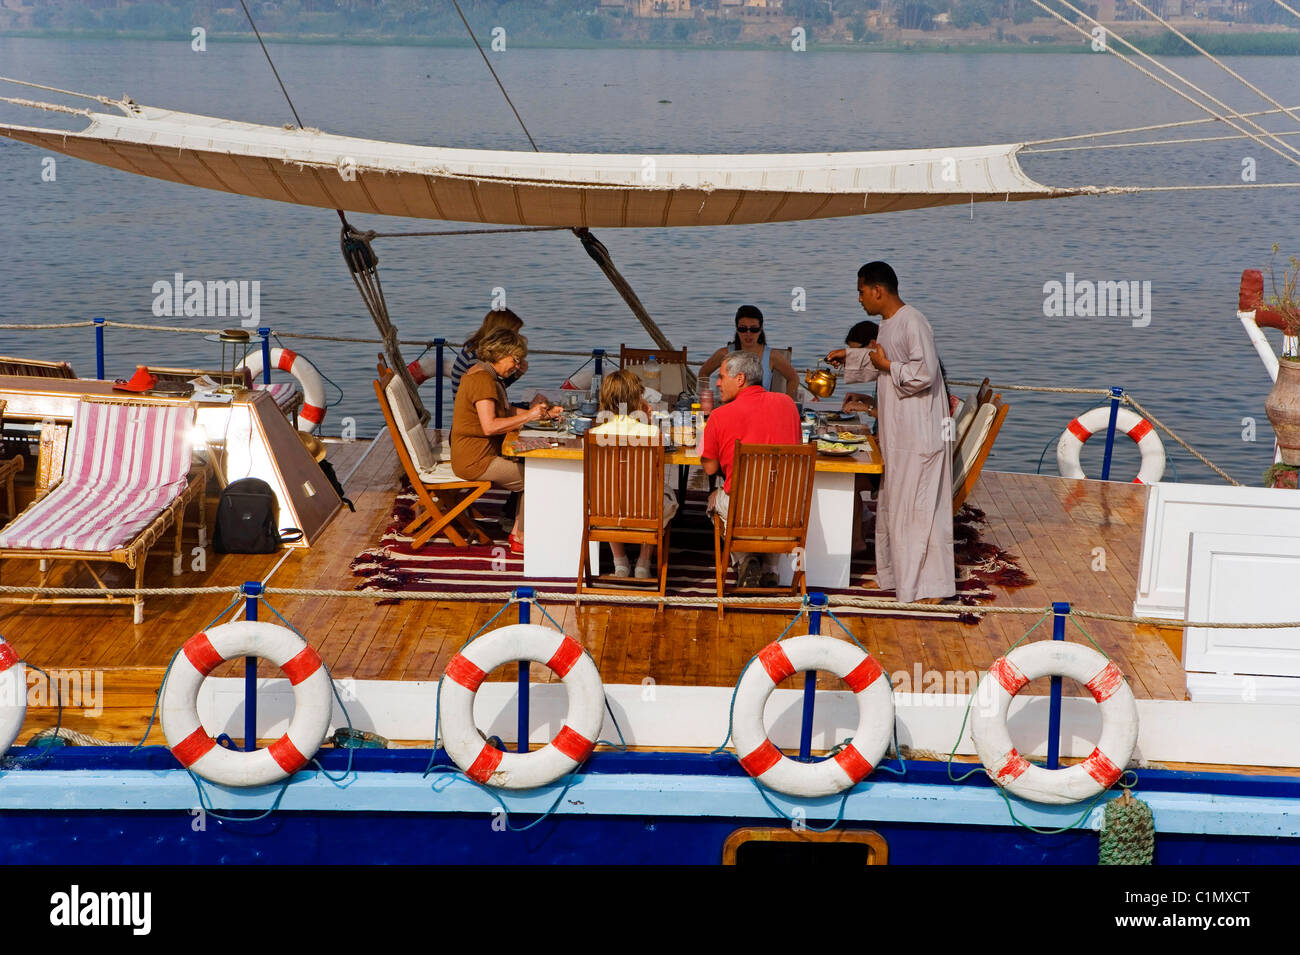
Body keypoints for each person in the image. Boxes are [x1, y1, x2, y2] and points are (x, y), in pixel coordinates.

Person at [826, 261, 955, 605]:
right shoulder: (887, 325)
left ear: (878, 291)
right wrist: (850, 356)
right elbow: (884, 363)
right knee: (895, 506)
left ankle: (932, 587)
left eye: (860, 291)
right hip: (899, 432)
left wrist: (885, 366)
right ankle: (896, 578)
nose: (859, 299)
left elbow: (924, 373)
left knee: (919, 508)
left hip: (920, 431)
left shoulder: (913, 321)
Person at [450, 328, 560, 556]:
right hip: (476, 460)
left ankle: (518, 529)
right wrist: (530, 416)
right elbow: (490, 426)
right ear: (500, 354)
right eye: (515, 359)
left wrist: (545, 415)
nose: (517, 366)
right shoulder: (483, 381)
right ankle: (520, 536)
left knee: (532, 468)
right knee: (536, 478)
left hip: (478, 455)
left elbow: (505, 410)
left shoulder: (484, 374)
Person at [699, 349, 801, 588]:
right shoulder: (788, 405)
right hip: (786, 511)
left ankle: (746, 559)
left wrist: (703, 444)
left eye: (722, 377)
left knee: (715, 500)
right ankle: (771, 568)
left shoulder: (719, 415)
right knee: (771, 495)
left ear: (740, 379)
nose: (717, 382)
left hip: (743, 512)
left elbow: (711, 468)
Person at [589, 370, 679, 579]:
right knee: (661, 492)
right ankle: (643, 562)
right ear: (636, 398)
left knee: (607, 492)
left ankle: (619, 563)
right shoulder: (651, 433)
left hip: (605, 513)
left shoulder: (594, 434)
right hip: (645, 512)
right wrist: (647, 421)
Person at [698, 306, 800, 400]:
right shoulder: (724, 354)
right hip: (730, 410)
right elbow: (703, 373)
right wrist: (706, 399)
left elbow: (793, 378)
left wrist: (786, 404)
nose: (748, 334)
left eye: (754, 329)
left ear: (760, 330)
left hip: (759, 411)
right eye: (743, 329)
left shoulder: (772, 356)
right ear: (737, 330)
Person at [451, 308, 527, 401]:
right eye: (514, 333)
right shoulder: (476, 356)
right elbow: (485, 394)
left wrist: (516, 374)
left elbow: (491, 390)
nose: (517, 337)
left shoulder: (474, 348)